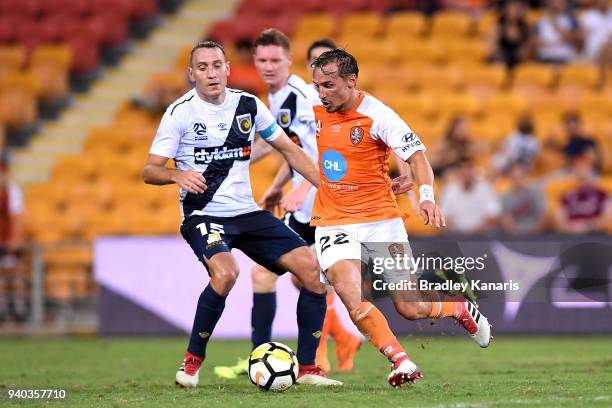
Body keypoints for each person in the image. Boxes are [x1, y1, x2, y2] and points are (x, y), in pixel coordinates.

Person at [142, 40, 342, 387]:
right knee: (226, 273)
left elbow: (288, 149)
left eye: (217, 65)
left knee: (312, 272)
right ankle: (190, 365)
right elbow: (149, 170)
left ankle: (309, 370)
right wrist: (176, 174)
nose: (211, 73)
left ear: (228, 68)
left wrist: (327, 188)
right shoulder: (180, 113)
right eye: (202, 67)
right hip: (203, 214)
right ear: (192, 74)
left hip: (247, 212)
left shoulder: (248, 105)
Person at [310, 49, 492, 388]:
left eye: (329, 85)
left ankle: (459, 309)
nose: (321, 93)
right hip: (334, 220)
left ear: (352, 81)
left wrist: (425, 197)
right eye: (317, 86)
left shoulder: (380, 116)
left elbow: (417, 157)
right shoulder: (315, 104)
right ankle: (400, 360)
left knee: (411, 307)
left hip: (381, 220)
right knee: (349, 290)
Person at [213, 32, 360, 379]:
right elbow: (288, 146)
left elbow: (324, 146)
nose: (267, 67)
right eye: (261, 61)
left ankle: (274, 359)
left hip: (320, 203)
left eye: (275, 60)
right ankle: (332, 343)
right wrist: (278, 186)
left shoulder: (300, 96)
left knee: (284, 276)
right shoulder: (278, 97)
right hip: (306, 203)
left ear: (289, 60)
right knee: (295, 278)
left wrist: (305, 184)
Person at [440, 157, 502, 234]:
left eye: (468, 168)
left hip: (481, 236)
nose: (466, 172)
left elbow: (493, 214)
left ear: (473, 170)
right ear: (458, 172)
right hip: (456, 236)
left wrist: (478, 230)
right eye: (462, 169)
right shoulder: (449, 190)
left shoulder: (485, 188)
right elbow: (444, 217)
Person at [500, 162, 547, 235]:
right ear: (510, 178)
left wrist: (535, 232)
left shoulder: (536, 191)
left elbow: (543, 215)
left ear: (525, 176)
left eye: (520, 177)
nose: (518, 180)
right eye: (515, 177)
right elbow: (507, 224)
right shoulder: (505, 197)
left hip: (536, 236)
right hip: (515, 237)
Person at [493, 0, 530, 70]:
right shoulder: (498, 27)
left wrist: (520, 56)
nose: (515, 11)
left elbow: (527, 48)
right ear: (505, 10)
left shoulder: (525, 27)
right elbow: (493, 48)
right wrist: (503, 59)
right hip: (501, 59)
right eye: (512, 8)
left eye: (517, 9)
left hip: (519, 59)